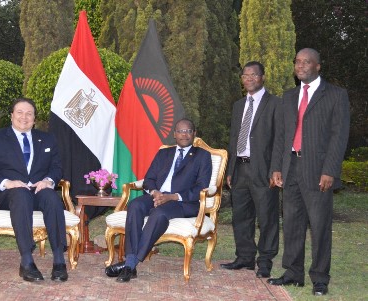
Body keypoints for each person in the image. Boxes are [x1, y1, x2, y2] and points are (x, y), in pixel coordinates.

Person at [268, 48, 350, 296]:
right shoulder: (289, 96)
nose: (300, 65)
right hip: (291, 167)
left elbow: (339, 136)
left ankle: (320, 278)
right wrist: (276, 167)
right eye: (297, 61)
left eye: (306, 62)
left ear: (318, 66)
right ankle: (293, 273)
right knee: (292, 223)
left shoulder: (336, 95)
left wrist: (330, 171)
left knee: (319, 226)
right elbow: (281, 136)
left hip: (318, 171)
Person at [105, 118, 212, 282]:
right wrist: (155, 193)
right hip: (157, 196)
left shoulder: (202, 156)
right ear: (174, 134)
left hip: (182, 202)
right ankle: (130, 263)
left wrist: (172, 197)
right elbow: (149, 179)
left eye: (188, 131)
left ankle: (130, 264)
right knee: (135, 205)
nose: (184, 134)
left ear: (194, 134)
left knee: (159, 213)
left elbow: (201, 187)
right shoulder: (164, 153)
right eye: (181, 131)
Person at [0, 98, 68, 282]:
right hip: (6, 195)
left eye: (29, 113)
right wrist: (7, 182)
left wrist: (48, 181)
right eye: (19, 112)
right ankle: (26, 261)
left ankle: (59, 260)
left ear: (34, 119)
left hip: (37, 192)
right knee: (20, 193)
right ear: (11, 116)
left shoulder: (48, 139)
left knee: (51, 196)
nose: (24, 117)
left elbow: (57, 167)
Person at [221, 61, 282, 278]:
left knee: (267, 218)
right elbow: (234, 138)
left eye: (253, 75)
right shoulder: (239, 105)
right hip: (240, 169)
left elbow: (279, 140)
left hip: (263, 171)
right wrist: (230, 169)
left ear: (262, 77)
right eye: (245, 75)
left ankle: (265, 261)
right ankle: (245, 258)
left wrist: (276, 169)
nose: (249, 78)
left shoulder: (275, 104)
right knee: (241, 216)